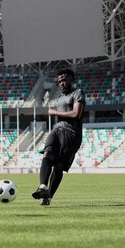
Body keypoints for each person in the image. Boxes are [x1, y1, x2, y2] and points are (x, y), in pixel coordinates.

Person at [32, 68, 85, 206]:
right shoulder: (60, 98)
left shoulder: (78, 93)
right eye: (59, 80)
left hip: (72, 134)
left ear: (72, 79)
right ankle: (43, 187)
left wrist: (55, 112)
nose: (61, 83)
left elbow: (75, 114)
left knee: (59, 166)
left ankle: (48, 197)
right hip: (57, 130)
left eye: (64, 80)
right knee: (47, 154)